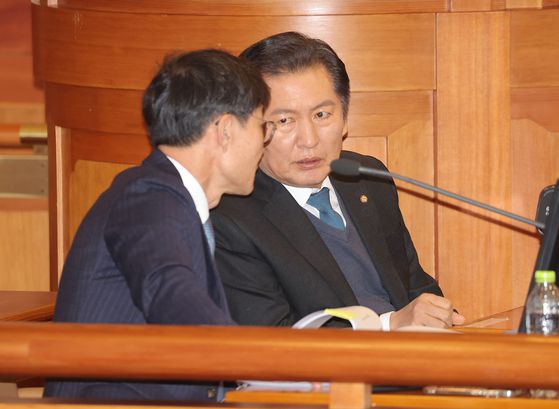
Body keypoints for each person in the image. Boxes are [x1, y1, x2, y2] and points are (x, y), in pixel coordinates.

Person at [44, 49, 271, 401]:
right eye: (262, 125)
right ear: (225, 130)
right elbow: (168, 289)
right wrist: (263, 361)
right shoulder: (150, 194)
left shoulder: (167, 194)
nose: (265, 142)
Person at [211, 32, 465, 330]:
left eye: (321, 114)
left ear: (344, 118)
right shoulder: (230, 216)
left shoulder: (367, 179)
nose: (309, 140)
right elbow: (272, 337)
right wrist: (388, 325)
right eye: (284, 121)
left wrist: (443, 317)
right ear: (250, 127)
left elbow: (415, 288)